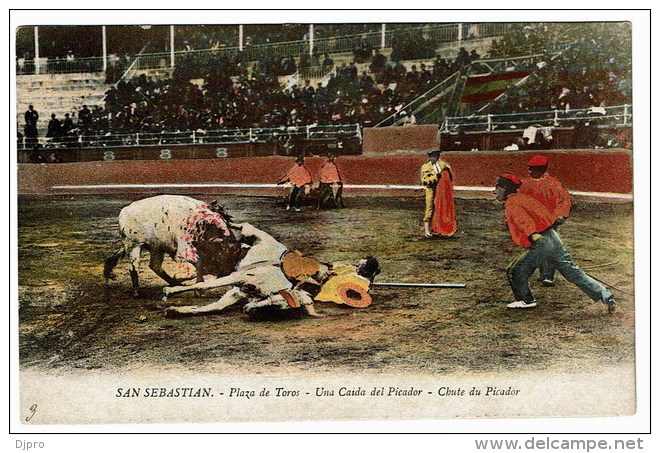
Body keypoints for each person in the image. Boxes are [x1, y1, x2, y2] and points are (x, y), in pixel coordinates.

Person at [494, 173, 616, 313]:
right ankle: (605, 295)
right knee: (573, 272)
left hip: (541, 241)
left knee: (515, 270)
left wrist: (533, 235)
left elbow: (524, 221)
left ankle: (526, 300)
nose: (495, 192)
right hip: (553, 236)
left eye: (497, 188)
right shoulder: (523, 198)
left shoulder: (511, 202)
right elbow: (539, 215)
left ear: (504, 188)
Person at [519, 155, 572, 286]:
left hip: (549, 221)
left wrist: (561, 215)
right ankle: (537, 272)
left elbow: (564, 201)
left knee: (548, 246)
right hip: (532, 221)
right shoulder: (526, 184)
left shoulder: (553, 184)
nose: (530, 172)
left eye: (532, 169)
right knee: (537, 246)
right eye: (529, 169)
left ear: (540, 170)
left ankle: (547, 274)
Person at [420, 149, 457, 238]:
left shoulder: (442, 165)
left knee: (441, 208)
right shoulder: (425, 167)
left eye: (437, 155)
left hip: (441, 191)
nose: (436, 157)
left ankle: (438, 229)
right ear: (430, 156)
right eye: (434, 155)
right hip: (431, 190)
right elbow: (424, 181)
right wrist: (436, 177)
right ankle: (427, 231)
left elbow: (448, 174)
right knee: (430, 209)